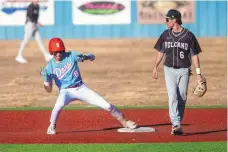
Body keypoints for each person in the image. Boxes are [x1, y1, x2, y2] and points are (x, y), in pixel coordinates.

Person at [40, 37, 137, 134]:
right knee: (58, 106)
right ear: (51, 52)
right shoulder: (50, 67)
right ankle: (51, 126)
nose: (59, 54)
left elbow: (92, 57)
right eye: (56, 52)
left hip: (81, 87)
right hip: (65, 91)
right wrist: (45, 81)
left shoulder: (71, 55)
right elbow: (48, 90)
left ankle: (125, 121)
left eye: (60, 51)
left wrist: (86, 56)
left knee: (106, 105)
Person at [152, 9, 205, 135]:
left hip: (184, 70)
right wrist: (155, 66)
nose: (166, 22)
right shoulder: (165, 35)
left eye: (167, 19)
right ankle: (175, 124)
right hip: (169, 69)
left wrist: (198, 74)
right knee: (173, 97)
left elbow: (195, 56)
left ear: (174, 20)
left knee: (182, 98)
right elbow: (160, 52)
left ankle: (177, 123)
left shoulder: (188, 35)